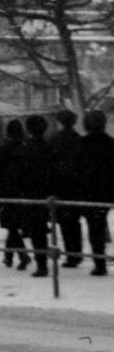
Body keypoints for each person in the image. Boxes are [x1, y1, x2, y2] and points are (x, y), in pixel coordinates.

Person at [15, 113, 56, 278]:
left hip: (31, 194)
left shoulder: (25, 150)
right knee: (40, 229)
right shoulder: (50, 148)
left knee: (36, 232)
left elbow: (19, 173)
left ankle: (42, 264)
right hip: (47, 193)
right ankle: (44, 260)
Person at [75, 109, 114, 277]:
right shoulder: (111, 144)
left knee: (95, 228)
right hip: (109, 190)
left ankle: (100, 263)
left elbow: (75, 170)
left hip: (89, 192)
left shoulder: (81, 146)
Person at [0, 119, 29, 269]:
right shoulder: (25, 149)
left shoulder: (2, 150)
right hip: (22, 192)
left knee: (11, 226)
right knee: (14, 226)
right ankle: (8, 256)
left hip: (4, 192)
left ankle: (22, 255)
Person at [50, 108, 85, 269]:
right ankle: (76, 253)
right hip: (76, 186)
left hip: (60, 186)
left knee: (65, 223)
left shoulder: (55, 140)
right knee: (74, 222)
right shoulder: (79, 140)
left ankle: (71, 254)